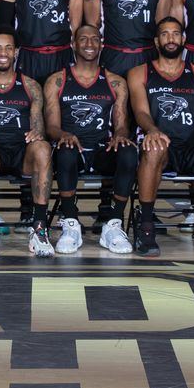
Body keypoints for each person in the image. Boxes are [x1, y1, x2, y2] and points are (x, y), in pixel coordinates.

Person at [127, 17, 194, 258]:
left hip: (192, 146)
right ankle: (146, 228)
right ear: (156, 41)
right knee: (154, 148)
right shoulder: (140, 73)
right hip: (161, 146)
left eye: (176, 33)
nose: (171, 39)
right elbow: (141, 112)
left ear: (183, 39)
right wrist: (152, 130)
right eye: (165, 34)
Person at [43, 23, 137, 254]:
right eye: (83, 39)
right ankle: (70, 222)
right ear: (73, 44)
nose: (89, 44)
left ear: (101, 44)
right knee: (64, 150)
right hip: (73, 149)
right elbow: (51, 126)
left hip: (102, 149)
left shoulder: (115, 82)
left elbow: (122, 124)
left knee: (128, 151)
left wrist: (120, 137)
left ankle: (113, 224)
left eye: (94, 39)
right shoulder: (58, 80)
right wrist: (63, 134)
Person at [0, 30, 54, 258]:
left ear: (16, 52)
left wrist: (37, 134)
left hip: (22, 152)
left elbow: (39, 128)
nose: (3, 53)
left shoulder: (30, 85)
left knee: (43, 148)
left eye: (8, 48)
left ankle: (39, 228)